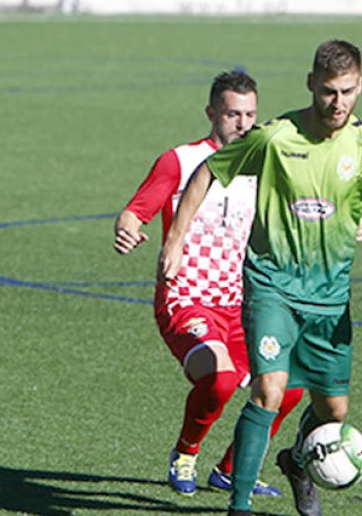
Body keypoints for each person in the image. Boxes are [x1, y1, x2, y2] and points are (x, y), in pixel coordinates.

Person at [158, 39, 362, 516]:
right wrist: (175, 239)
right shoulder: (276, 137)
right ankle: (238, 504)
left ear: (360, 86)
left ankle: (297, 461)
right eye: (330, 92)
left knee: (334, 411)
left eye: (349, 91)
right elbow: (209, 172)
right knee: (269, 390)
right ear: (311, 85)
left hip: (329, 299)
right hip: (272, 286)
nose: (339, 103)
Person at [114, 70, 304, 499]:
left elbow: (303, 213)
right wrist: (126, 228)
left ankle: (235, 469)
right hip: (187, 302)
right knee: (218, 380)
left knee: (290, 387)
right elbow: (135, 211)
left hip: (244, 306)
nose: (242, 124)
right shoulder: (179, 161)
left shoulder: (264, 167)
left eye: (250, 115)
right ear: (211, 113)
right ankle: (185, 453)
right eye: (232, 114)